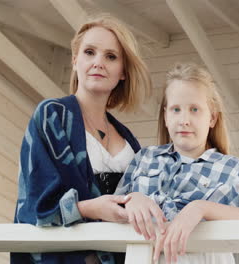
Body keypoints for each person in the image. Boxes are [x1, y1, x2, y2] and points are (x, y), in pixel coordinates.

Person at [11, 15, 152, 264]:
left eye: (111, 56)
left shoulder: (130, 141)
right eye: (89, 52)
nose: (98, 62)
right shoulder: (51, 116)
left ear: (123, 72)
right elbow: (34, 205)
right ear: (75, 60)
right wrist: (90, 208)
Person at [115, 63, 239, 264]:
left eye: (194, 109)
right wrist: (133, 198)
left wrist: (202, 208)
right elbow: (111, 209)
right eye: (176, 109)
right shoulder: (145, 158)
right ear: (165, 116)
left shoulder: (232, 169)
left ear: (212, 118)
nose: (184, 120)